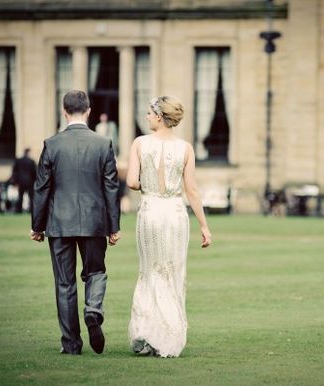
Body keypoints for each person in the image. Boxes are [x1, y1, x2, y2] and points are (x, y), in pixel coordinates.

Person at [31, 90, 121, 355]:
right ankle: (93, 309)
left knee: (65, 283)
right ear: (89, 111)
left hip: (59, 223)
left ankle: (71, 344)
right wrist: (114, 227)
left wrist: (37, 226)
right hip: (95, 223)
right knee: (95, 272)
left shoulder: (52, 144)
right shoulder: (103, 144)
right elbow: (111, 189)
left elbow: (41, 188)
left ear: (64, 111)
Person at [126, 96, 212, 358]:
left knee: (150, 271)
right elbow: (192, 191)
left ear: (160, 116)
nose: (147, 117)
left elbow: (131, 182)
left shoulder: (140, 144)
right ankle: (167, 335)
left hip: (151, 211)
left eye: (150, 113)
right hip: (175, 214)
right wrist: (204, 226)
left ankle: (148, 332)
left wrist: (147, 184)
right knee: (172, 272)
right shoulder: (185, 148)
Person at [10, 147, 37, 213]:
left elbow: (14, 172)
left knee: (20, 196)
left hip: (20, 181)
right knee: (31, 197)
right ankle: (31, 210)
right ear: (29, 152)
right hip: (29, 181)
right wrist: (35, 180)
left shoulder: (18, 161)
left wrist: (15, 181)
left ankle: (19, 210)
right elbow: (34, 172)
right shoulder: (31, 161)